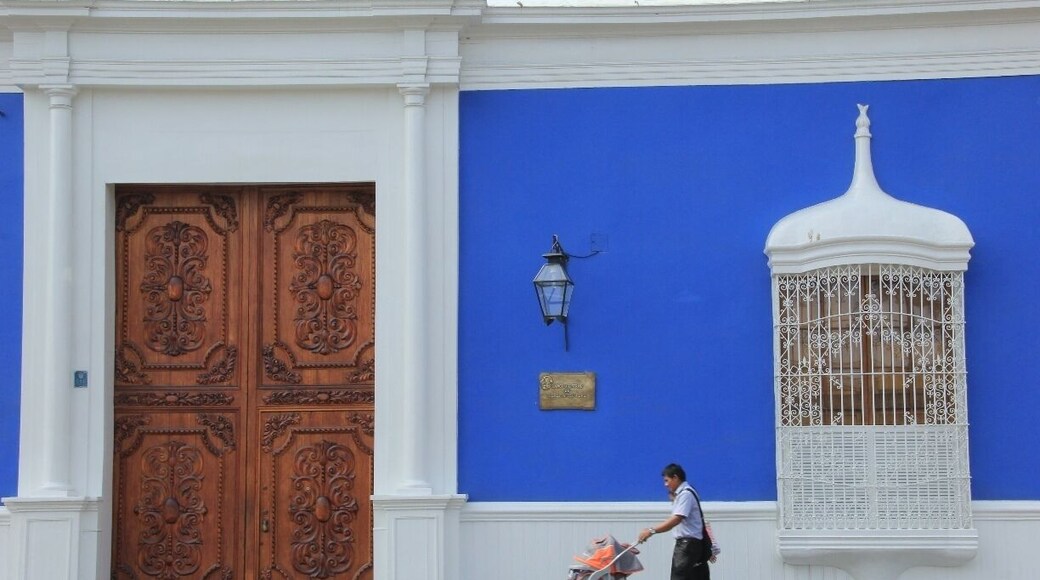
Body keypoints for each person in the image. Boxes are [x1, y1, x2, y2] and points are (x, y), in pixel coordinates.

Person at [637, 463, 710, 580]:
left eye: (667, 480)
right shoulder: (688, 492)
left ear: (675, 477)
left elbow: (676, 519)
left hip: (687, 546)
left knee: (679, 577)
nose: (665, 485)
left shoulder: (685, 494)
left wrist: (651, 530)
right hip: (694, 545)